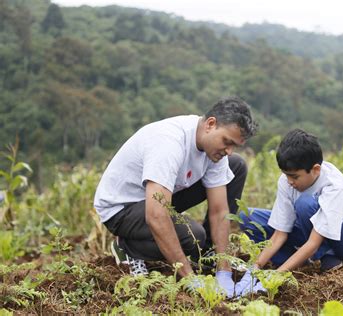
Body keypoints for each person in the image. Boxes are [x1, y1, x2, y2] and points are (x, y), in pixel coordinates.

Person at [93, 97, 257, 297]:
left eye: (235, 145)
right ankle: (128, 247)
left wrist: (223, 269)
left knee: (236, 166)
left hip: (161, 196)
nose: (229, 150)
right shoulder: (169, 143)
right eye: (227, 142)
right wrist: (189, 277)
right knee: (193, 235)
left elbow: (219, 211)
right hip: (123, 208)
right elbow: (156, 215)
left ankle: (203, 255)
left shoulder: (215, 149)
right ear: (210, 124)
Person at [235, 129, 343, 296]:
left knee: (305, 204)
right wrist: (255, 268)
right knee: (246, 216)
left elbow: (313, 243)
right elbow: (280, 233)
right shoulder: (287, 181)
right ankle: (298, 261)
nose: (289, 181)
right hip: (311, 230)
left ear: (315, 170)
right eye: (286, 175)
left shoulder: (334, 186)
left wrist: (276, 277)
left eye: (295, 177)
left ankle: (327, 255)